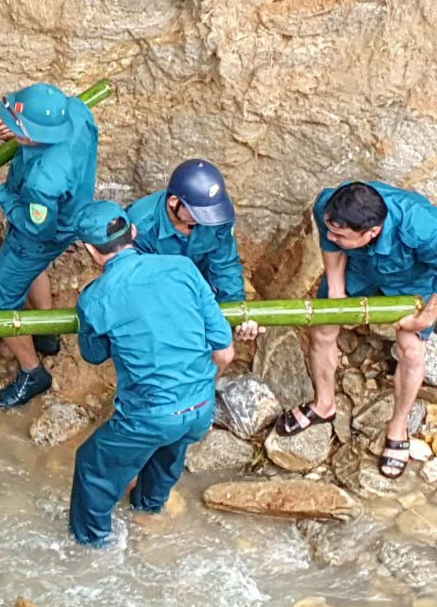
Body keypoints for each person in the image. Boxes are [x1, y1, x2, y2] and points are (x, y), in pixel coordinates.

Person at [69, 202, 235, 546]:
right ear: (133, 233)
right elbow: (224, 351)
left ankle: (91, 544)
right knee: (168, 453)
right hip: (201, 406)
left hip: (151, 414)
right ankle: (148, 510)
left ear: (89, 250)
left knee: (92, 464)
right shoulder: (183, 268)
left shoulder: (96, 298)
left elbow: (94, 355)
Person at [274, 182, 437, 478]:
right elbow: (330, 243)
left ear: (371, 232)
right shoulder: (329, 205)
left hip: (411, 279)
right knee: (322, 331)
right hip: (358, 268)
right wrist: (336, 290)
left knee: (411, 350)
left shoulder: (422, 226)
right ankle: (324, 404)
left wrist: (425, 319)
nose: (332, 236)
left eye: (341, 235)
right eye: (331, 229)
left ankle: (398, 427)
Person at [0, 83, 99, 408]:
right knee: (35, 268)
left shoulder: (44, 179)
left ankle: (33, 372)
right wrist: (21, 134)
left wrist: (1, 192)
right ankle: (45, 330)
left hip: (42, 232)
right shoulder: (76, 110)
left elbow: (36, 227)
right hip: (72, 210)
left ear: (35, 136)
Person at [126, 159, 260, 340]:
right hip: (159, 300)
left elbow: (225, 267)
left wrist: (237, 315)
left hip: (203, 290)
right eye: (200, 213)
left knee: (221, 354)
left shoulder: (217, 214)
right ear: (174, 202)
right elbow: (137, 284)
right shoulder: (141, 225)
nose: (207, 218)